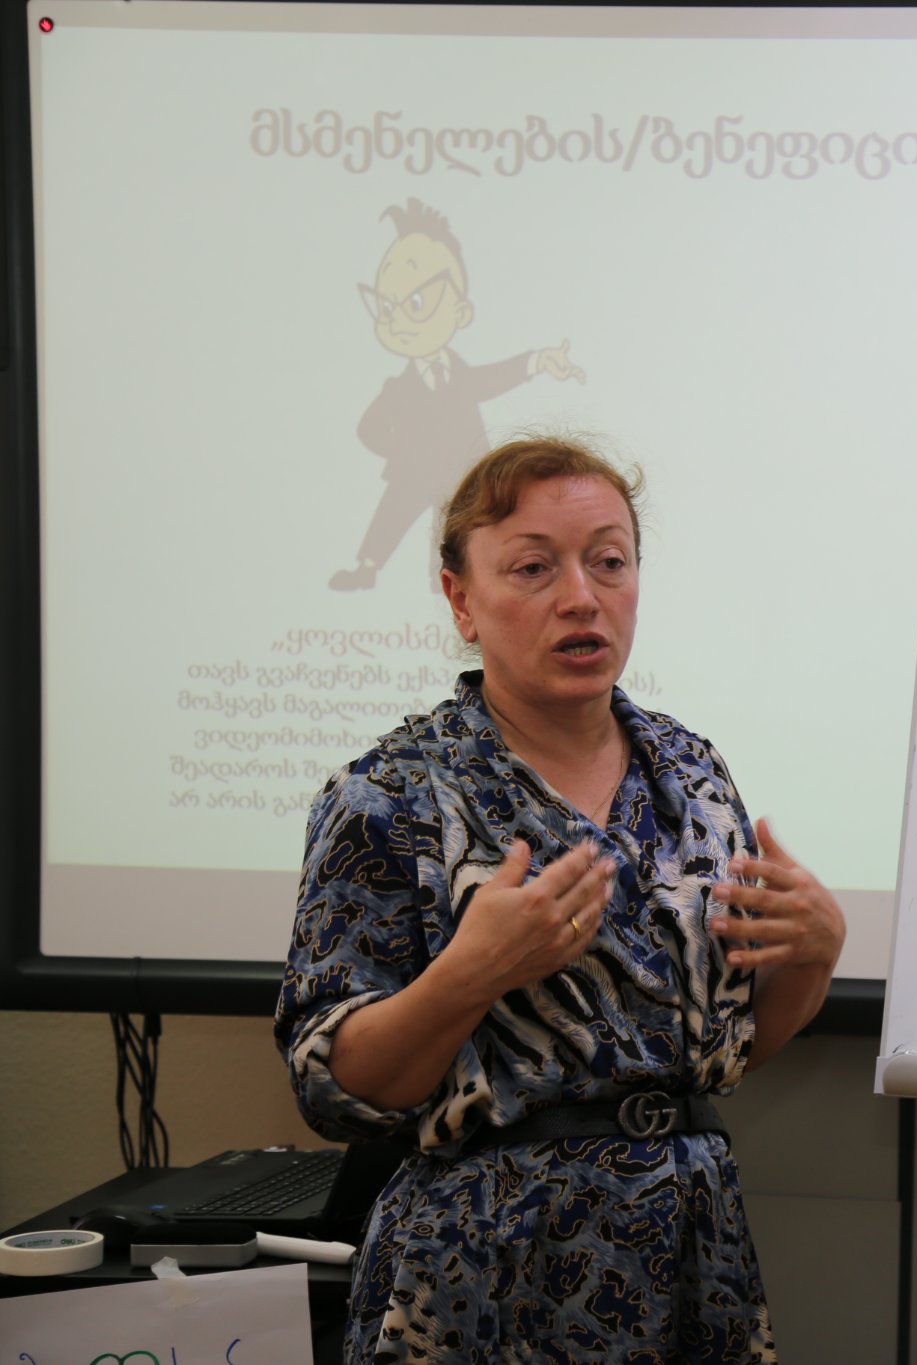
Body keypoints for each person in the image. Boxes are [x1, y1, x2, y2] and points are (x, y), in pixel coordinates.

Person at [277, 436, 844, 1363]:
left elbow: (729, 1050)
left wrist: (815, 956)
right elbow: (334, 1088)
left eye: (608, 561)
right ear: (461, 598)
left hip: (690, 1246)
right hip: (482, 1267)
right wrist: (470, 974)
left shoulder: (692, 773)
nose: (581, 596)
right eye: (534, 567)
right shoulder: (389, 794)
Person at [332, 200, 586, 593]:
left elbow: (492, 378)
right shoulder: (400, 386)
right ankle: (367, 567)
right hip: (412, 470)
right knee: (391, 515)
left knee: (454, 531)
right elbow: (369, 428)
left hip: (462, 474)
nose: (396, 319)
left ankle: (446, 588)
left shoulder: (460, 374)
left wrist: (536, 361)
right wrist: (400, 447)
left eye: (416, 303)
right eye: (385, 306)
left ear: (462, 312)